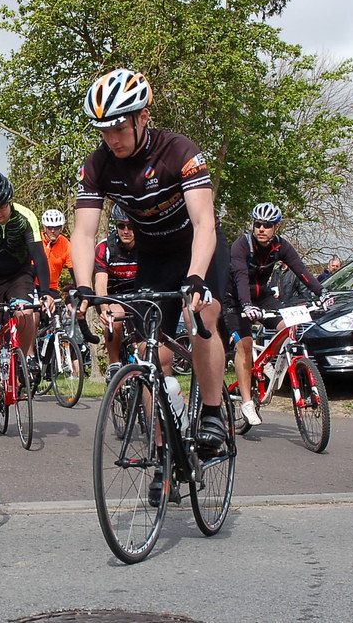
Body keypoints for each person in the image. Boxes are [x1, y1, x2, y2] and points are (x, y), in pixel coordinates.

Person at [71, 67, 231, 501]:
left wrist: (197, 278)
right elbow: (84, 233)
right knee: (145, 355)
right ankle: (164, 450)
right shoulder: (98, 165)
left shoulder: (179, 150)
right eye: (103, 131)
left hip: (198, 249)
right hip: (155, 257)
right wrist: (85, 289)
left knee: (203, 312)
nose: (112, 140)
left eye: (120, 128)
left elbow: (204, 222)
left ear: (143, 116)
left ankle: (214, 413)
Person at [222, 202, 324, 426]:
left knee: (289, 326)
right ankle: (247, 402)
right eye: (257, 224)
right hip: (235, 298)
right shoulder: (242, 244)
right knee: (245, 346)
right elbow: (240, 277)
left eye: (267, 225)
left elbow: (301, 270)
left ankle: (267, 360)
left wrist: (322, 292)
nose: (261, 229)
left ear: (276, 227)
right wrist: (247, 306)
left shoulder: (281, 246)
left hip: (263, 295)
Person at [0, 171, 55, 420]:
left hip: (19, 274)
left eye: (2, 206)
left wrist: (46, 292)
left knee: (26, 311)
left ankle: (26, 358)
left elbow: (39, 256)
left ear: (10, 201)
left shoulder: (26, 217)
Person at [94, 203, 139, 379]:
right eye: (121, 225)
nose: (126, 230)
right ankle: (114, 363)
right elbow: (100, 283)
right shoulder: (105, 248)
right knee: (115, 317)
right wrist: (105, 309)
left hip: (138, 295)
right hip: (113, 297)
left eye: (130, 226)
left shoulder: (146, 247)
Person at [40, 209, 74, 297]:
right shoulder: (37, 240)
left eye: (57, 227)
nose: (53, 231)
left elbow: (72, 268)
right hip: (33, 285)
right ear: (44, 227)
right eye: (50, 227)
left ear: (61, 228)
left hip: (52, 287)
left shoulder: (65, 243)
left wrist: (78, 287)